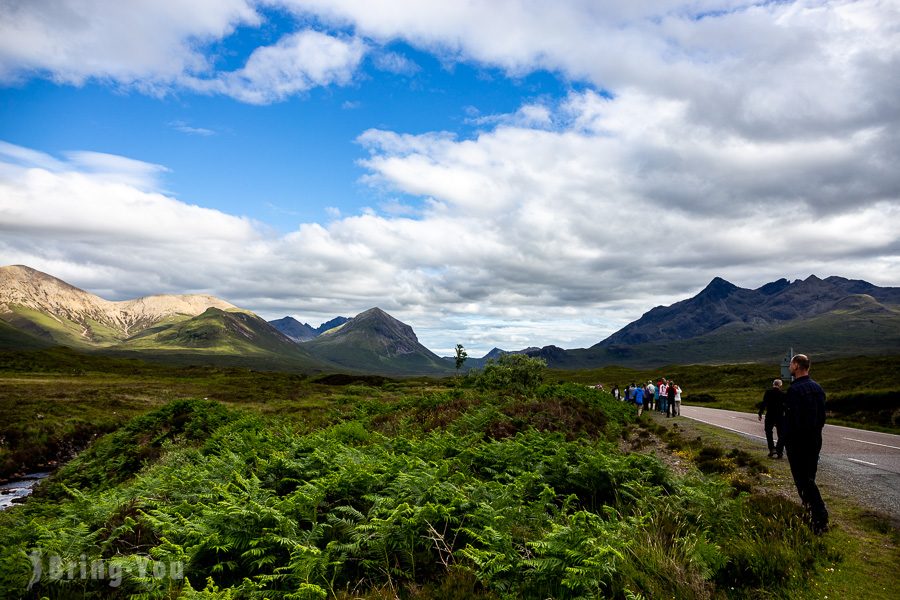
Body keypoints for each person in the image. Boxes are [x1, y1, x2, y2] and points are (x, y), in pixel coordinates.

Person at [782, 354, 829, 534]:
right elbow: (822, 416)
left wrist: (785, 440)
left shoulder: (794, 390)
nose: (789, 368)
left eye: (791, 364)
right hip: (815, 439)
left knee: (803, 480)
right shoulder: (818, 388)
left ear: (797, 365)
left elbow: (791, 419)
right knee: (809, 477)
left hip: (798, 441)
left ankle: (820, 516)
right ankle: (811, 512)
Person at [758, 379, 786, 458]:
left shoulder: (768, 393)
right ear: (780, 385)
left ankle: (772, 449)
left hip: (770, 415)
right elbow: (786, 406)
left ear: (773, 384)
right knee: (781, 434)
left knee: (768, 432)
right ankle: (779, 450)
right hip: (780, 416)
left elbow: (764, 403)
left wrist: (760, 413)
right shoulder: (783, 394)